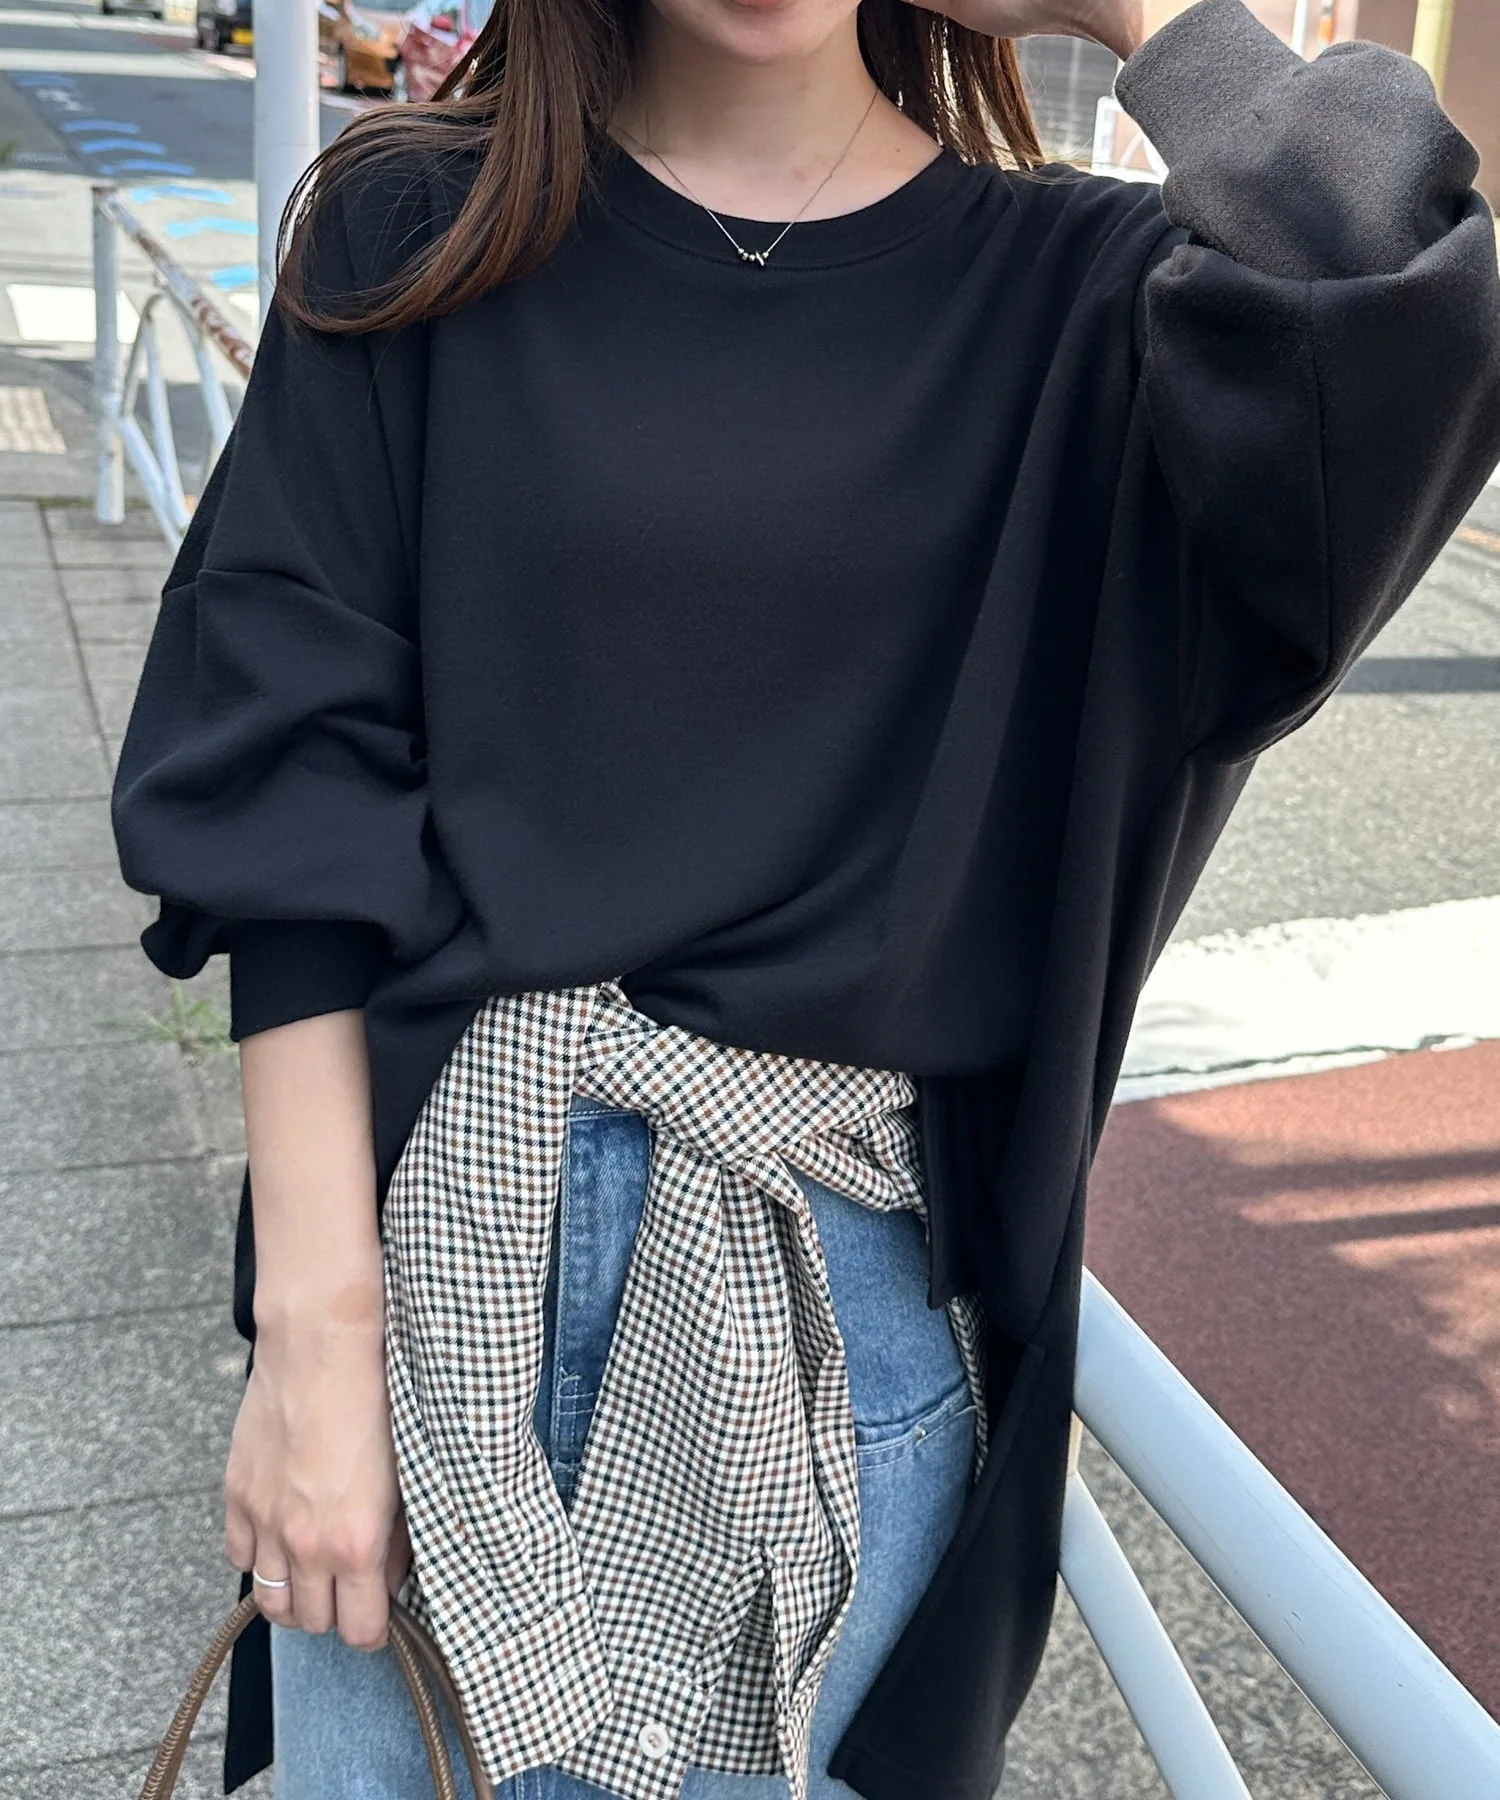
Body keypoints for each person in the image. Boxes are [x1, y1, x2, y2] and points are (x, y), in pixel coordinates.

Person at [110, 0, 1500, 1796]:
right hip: (434, 1275)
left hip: (831, 1315)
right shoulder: (415, 227)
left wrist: (1135, 16)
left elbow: (1397, 282)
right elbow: (292, 776)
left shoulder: (1085, 297)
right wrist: (312, 1344)